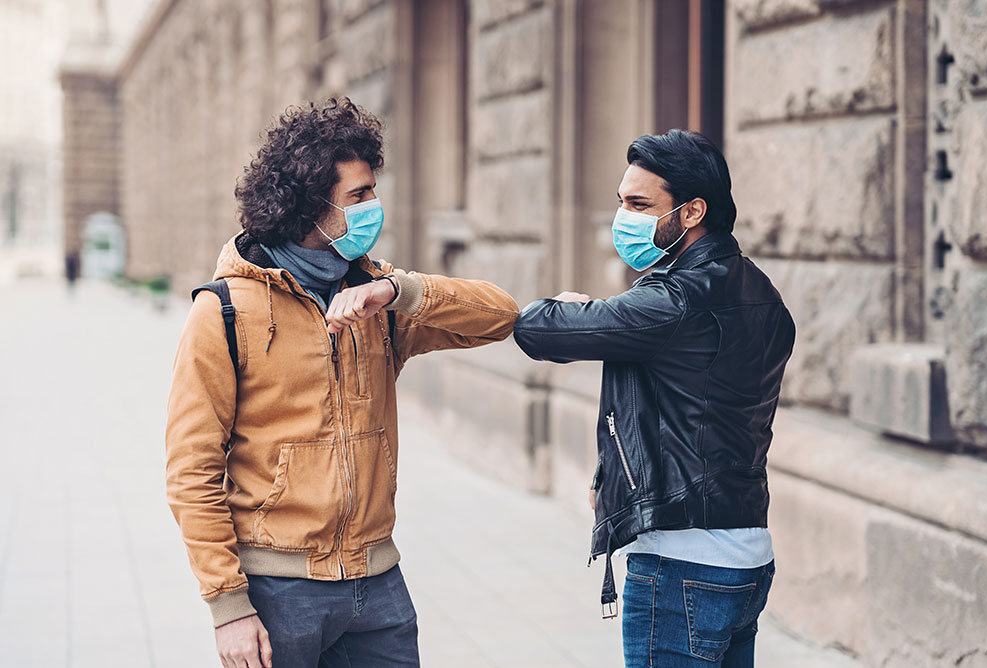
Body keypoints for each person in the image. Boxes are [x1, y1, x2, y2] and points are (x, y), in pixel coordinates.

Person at [165, 97, 519, 668]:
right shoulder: (225, 311)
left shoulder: (378, 297)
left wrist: (399, 291)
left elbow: (500, 315)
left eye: (373, 191)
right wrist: (228, 605)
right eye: (359, 196)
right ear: (309, 206)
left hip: (378, 587)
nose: (374, 207)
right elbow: (191, 468)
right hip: (279, 590)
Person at [512, 130, 795, 667]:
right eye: (622, 201)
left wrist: (575, 306)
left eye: (640, 205)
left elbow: (537, 330)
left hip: (681, 563)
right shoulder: (762, 293)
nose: (625, 216)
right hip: (747, 553)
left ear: (691, 212)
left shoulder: (672, 301)